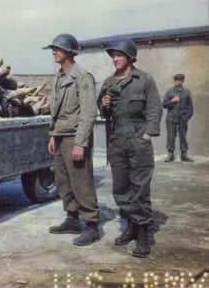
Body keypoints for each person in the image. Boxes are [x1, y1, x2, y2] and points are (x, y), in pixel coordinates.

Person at [97, 39, 162, 258]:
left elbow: (154, 107)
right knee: (121, 187)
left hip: (138, 139)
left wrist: (147, 134)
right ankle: (131, 226)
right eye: (113, 55)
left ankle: (143, 233)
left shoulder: (144, 80)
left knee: (140, 187)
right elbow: (104, 113)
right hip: (116, 140)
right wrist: (104, 105)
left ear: (130, 57)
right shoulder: (108, 82)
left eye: (120, 55)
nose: (115, 59)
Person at [43, 34, 100, 246]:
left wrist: (80, 143)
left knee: (81, 181)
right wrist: (52, 134)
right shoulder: (58, 76)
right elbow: (55, 111)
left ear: (69, 52)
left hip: (75, 136)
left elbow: (88, 113)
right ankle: (72, 218)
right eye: (54, 49)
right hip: (60, 136)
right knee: (63, 181)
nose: (54, 52)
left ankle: (92, 225)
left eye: (58, 49)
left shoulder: (82, 77)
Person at [163, 73, 194, 162]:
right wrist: (172, 101)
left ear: (182, 81)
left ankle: (184, 155)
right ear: (174, 81)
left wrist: (186, 117)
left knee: (183, 136)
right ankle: (170, 154)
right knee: (171, 136)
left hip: (182, 118)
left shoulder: (187, 92)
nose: (177, 82)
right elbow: (164, 104)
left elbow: (190, 107)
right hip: (171, 118)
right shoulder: (169, 92)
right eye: (176, 80)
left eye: (179, 80)